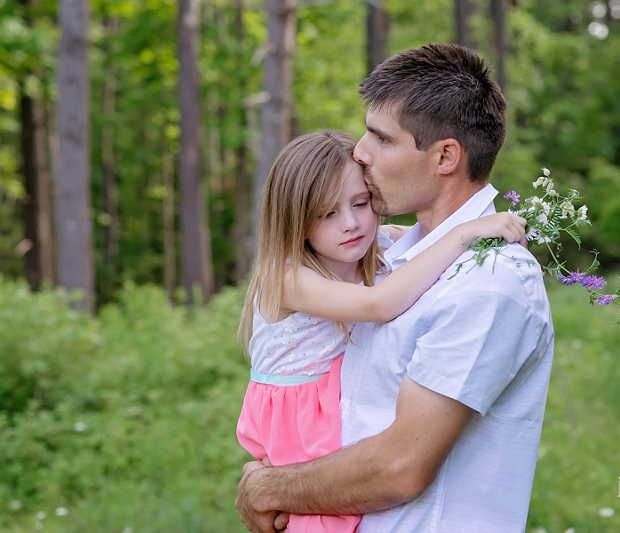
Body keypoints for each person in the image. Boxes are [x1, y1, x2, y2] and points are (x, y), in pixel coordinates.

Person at [236, 43, 555, 533]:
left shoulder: (488, 281)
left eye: (381, 139)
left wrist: (270, 488)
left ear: (445, 156)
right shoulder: (394, 256)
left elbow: (400, 467)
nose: (360, 151)